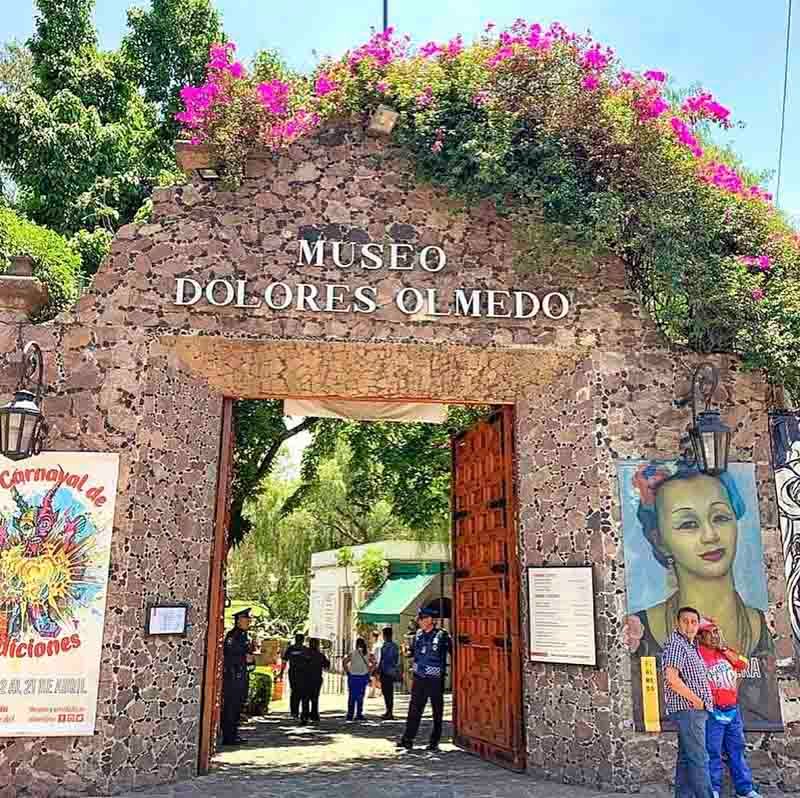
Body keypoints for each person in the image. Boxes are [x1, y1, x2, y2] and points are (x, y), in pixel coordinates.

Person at [625, 461, 777, 728]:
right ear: (659, 539)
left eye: (720, 518)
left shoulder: (763, 628)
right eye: (688, 524)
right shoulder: (642, 633)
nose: (710, 535)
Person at [697, 619, 762, 798]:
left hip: (732, 710)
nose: (715, 636)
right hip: (712, 712)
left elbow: (743, 664)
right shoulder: (697, 655)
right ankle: (714, 791)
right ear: (700, 636)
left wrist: (724, 649)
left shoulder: (725, 652)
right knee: (713, 752)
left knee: (737, 749)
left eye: (717, 632)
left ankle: (745, 789)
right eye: (711, 632)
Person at [662, 606, 714, 798]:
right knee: (699, 759)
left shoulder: (691, 644)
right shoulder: (677, 644)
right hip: (689, 710)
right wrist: (698, 701)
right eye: (685, 621)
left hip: (693, 710)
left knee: (686, 760)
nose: (690, 625)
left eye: (694, 622)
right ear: (677, 623)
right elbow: (672, 678)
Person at [398, 605, 450, 752]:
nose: (419, 621)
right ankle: (407, 739)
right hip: (419, 677)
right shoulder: (418, 635)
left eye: (422, 619)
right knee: (414, 709)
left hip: (434, 679)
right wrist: (406, 651)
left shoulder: (442, 635)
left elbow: (454, 652)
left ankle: (434, 741)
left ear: (430, 620)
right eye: (419, 619)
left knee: (437, 711)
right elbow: (413, 653)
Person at [221, 607, 255, 745]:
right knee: (231, 706)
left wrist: (251, 660)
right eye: (246, 619)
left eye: (249, 619)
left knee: (238, 706)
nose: (249, 621)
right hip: (233, 676)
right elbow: (228, 656)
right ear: (239, 620)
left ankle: (234, 734)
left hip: (242, 675)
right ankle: (229, 736)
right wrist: (244, 659)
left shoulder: (244, 636)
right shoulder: (232, 636)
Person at [300, 638, 330, 724]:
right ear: (317, 645)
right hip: (316, 679)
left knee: (305, 698)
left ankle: (305, 716)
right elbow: (327, 665)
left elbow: (299, 665)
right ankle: (314, 715)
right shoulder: (319, 655)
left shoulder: (304, 654)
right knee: (314, 698)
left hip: (305, 679)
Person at [280, 633, 308, 719]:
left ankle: (294, 712)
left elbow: (284, 661)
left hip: (293, 672)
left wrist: (281, 672)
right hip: (303, 673)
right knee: (302, 692)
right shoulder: (305, 650)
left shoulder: (291, 649)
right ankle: (302, 712)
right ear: (303, 640)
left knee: (294, 692)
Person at [343, 637, 372, 721]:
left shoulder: (353, 653)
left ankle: (350, 714)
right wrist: (369, 672)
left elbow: (344, 662)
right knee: (360, 696)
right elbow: (373, 663)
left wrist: (347, 671)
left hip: (353, 677)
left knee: (352, 696)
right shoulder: (367, 653)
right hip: (363, 677)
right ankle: (359, 714)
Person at [377, 626, 400, 720]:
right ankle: (388, 711)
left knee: (388, 693)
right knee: (387, 692)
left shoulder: (387, 646)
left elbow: (385, 659)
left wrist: (380, 668)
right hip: (389, 671)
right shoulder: (393, 646)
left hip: (387, 671)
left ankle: (389, 712)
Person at [368, 629, 383, 699]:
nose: (371, 638)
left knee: (374, 678)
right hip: (379, 663)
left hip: (376, 663)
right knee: (376, 678)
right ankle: (378, 692)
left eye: (371, 636)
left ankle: (374, 692)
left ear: (374, 637)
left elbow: (373, 655)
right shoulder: (380, 644)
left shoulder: (376, 645)